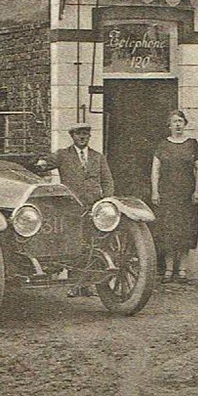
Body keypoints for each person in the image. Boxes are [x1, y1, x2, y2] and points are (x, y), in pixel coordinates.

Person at [51, 122, 115, 296]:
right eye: (79, 134)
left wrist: (105, 201)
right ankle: (74, 285)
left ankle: (88, 285)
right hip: (71, 208)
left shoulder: (98, 157)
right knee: (74, 246)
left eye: (85, 134)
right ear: (72, 136)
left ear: (89, 136)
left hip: (93, 207)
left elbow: (107, 181)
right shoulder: (63, 155)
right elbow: (45, 164)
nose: (82, 137)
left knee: (93, 245)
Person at [151, 110, 198, 283]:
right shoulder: (163, 145)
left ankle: (182, 270)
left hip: (186, 195)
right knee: (169, 232)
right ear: (169, 125)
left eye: (180, 121)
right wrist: (155, 191)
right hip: (168, 194)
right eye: (174, 122)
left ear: (185, 124)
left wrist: (197, 191)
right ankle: (168, 270)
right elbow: (155, 169)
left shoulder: (192, 144)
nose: (178, 125)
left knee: (185, 233)